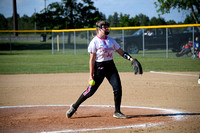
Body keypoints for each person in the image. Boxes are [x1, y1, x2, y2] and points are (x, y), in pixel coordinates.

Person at [66, 20, 136, 119]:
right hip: (99, 68)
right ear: (99, 28)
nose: (107, 29)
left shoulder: (111, 41)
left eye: (108, 27)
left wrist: (131, 59)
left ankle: (117, 112)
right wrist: (91, 75)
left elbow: (121, 52)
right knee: (90, 91)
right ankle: (74, 106)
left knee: (118, 88)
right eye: (105, 27)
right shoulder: (94, 42)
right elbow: (92, 59)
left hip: (111, 67)